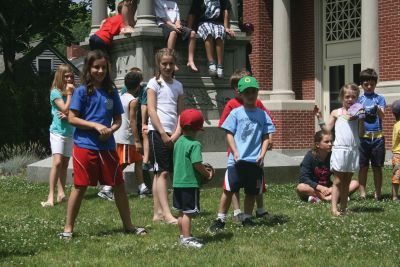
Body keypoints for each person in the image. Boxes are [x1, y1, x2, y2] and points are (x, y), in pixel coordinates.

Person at [58, 50, 147, 239]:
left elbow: (117, 120)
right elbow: (72, 118)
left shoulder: (111, 91)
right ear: (89, 68)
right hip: (84, 146)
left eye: (103, 67)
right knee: (80, 186)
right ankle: (68, 229)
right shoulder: (81, 91)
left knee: (119, 185)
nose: (100, 71)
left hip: (107, 148)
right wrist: (95, 126)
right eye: (96, 67)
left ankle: (129, 226)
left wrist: (111, 131)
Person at [209, 76, 275, 233]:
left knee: (251, 192)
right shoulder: (236, 113)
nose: (250, 95)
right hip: (237, 161)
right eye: (247, 92)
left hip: (255, 161)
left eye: (253, 91)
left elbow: (266, 135)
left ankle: (247, 217)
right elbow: (229, 133)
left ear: (257, 92)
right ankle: (220, 218)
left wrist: (263, 153)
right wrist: (235, 151)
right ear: (240, 94)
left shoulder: (262, 114)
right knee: (229, 189)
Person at [315, 83, 365, 216]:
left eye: (353, 97)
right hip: (340, 149)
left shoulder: (358, 114)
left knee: (348, 179)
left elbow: (360, 133)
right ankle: (333, 208)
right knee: (338, 180)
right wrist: (319, 117)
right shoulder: (336, 113)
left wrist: (362, 120)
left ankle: (343, 207)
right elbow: (327, 130)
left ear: (357, 99)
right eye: (347, 96)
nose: (350, 99)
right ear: (342, 97)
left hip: (353, 149)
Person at [147, 48, 184, 224]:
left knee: (161, 173)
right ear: (158, 65)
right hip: (157, 132)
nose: (168, 67)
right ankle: (167, 214)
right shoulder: (154, 83)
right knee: (162, 172)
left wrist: (176, 134)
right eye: (164, 64)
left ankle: (158, 213)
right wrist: (162, 133)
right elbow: (151, 110)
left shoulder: (178, 85)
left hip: (173, 133)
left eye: (170, 63)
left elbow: (180, 113)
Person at [173, 109, 214, 249]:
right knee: (188, 213)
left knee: (180, 212)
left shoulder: (178, 142)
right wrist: (207, 174)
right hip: (189, 183)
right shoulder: (195, 144)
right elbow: (197, 164)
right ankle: (187, 239)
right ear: (197, 129)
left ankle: (183, 235)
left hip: (177, 182)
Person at [41, 64, 75, 208]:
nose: (69, 78)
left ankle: (61, 193)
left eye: (71, 76)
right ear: (60, 76)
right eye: (66, 76)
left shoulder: (73, 92)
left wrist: (68, 114)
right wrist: (69, 95)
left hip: (70, 132)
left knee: (65, 164)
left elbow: (76, 111)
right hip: (57, 132)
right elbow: (66, 108)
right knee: (57, 162)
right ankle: (50, 196)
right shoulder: (55, 92)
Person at [113, 71, 151, 197]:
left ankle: (142, 187)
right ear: (138, 86)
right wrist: (137, 141)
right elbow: (133, 122)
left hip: (121, 135)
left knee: (139, 160)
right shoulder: (133, 101)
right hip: (128, 137)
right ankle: (107, 187)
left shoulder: (121, 96)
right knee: (123, 163)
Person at [296, 130, 359, 203]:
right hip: (314, 188)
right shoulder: (310, 156)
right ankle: (333, 198)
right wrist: (319, 187)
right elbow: (303, 178)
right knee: (301, 187)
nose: (330, 144)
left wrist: (332, 189)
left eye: (331, 141)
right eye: (326, 142)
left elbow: (341, 177)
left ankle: (322, 199)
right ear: (317, 144)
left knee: (355, 183)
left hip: (328, 188)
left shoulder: (333, 156)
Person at [356, 68, 386, 201]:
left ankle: (377, 193)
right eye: (366, 84)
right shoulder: (358, 99)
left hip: (377, 138)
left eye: (372, 84)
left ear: (375, 84)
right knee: (362, 167)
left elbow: (383, 116)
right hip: (363, 138)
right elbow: (353, 116)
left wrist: (378, 109)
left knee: (377, 167)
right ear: (361, 85)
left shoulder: (380, 99)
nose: (369, 87)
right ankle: (362, 193)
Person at [188, 0, 235, 78]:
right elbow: (192, 13)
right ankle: (211, 63)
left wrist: (226, 27)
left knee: (220, 34)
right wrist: (189, 28)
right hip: (203, 22)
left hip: (218, 23)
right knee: (208, 32)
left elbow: (226, 12)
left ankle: (220, 65)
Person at [155, 0, 198, 72]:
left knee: (192, 33)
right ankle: (171, 60)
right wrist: (173, 26)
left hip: (175, 25)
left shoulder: (174, 3)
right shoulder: (158, 1)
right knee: (173, 33)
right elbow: (163, 18)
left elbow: (178, 18)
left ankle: (190, 60)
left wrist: (178, 25)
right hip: (164, 24)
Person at [391, 100, 400, 201]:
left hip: (396, 154)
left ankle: (395, 195)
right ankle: (394, 196)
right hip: (398, 155)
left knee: (396, 175)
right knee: (397, 175)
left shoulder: (396, 123)